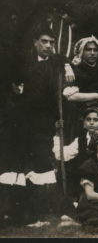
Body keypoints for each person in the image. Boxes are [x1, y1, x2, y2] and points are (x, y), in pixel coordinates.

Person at [0, 23, 69, 225]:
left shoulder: (52, 62)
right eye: (44, 42)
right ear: (35, 43)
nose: (48, 46)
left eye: (51, 42)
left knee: (43, 165)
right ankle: (16, 213)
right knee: (15, 167)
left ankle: (19, 209)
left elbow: (62, 58)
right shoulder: (21, 57)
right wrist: (11, 85)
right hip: (16, 124)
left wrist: (67, 65)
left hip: (38, 127)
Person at [63, 36, 98, 144]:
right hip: (78, 118)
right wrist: (96, 96)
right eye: (88, 49)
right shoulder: (74, 71)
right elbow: (71, 96)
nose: (92, 53)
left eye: (95, 50)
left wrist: (90, 101)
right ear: (81, 52)